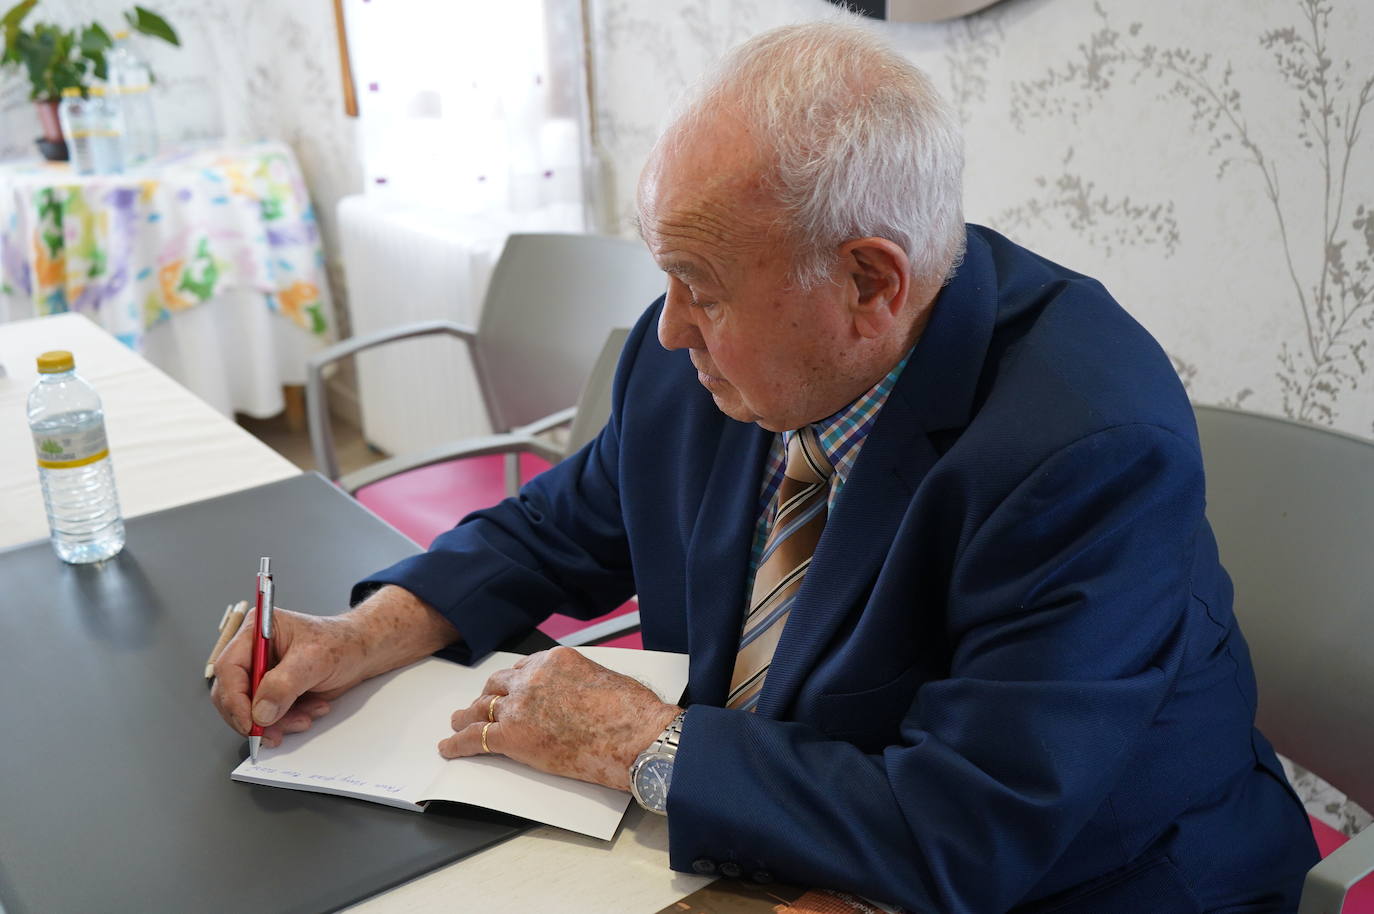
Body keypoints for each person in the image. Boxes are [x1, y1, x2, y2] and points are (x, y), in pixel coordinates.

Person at [212, 21, 1318, 912]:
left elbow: (968, 826)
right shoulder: (710, 360)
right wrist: (365, 633)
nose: (666, 329)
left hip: (1095, 881)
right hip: (789, 836)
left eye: (701, 286)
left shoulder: (1087, 449)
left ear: (870, 283)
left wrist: (643, 741)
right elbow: (560, 526)